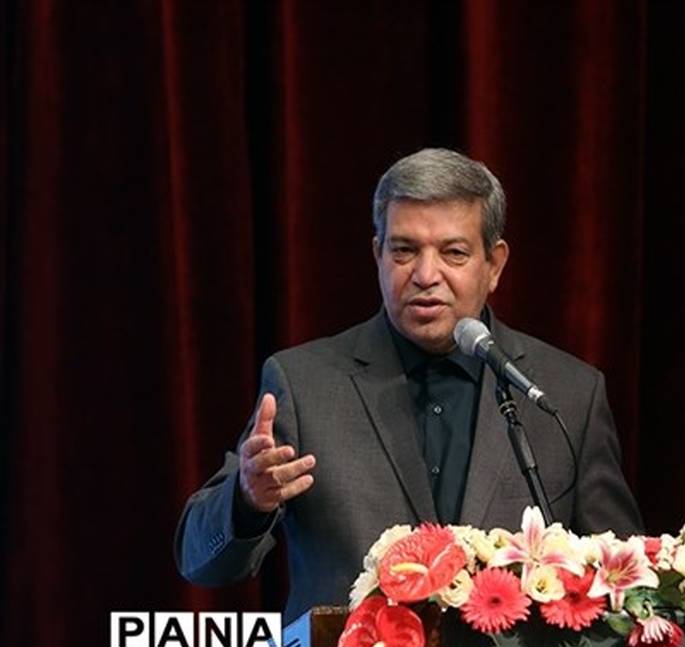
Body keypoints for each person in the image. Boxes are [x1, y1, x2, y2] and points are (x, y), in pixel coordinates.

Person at [175, 148, 642, 623]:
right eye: (404, 250)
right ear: (377, 255)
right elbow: (199, 560)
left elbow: (628, 586)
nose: (425, 275)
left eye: (453, 253)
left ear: (494, 264)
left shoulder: (566, 395)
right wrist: (247, 501)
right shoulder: (304, 384)